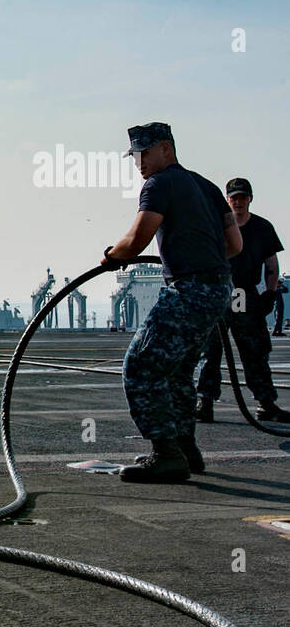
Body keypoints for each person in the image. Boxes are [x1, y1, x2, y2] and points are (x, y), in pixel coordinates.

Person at [102, 123, 241, 483]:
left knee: (141, 365)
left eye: (144, 153)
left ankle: (165, 454)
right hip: (217, 288)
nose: (139, 163)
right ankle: (185, 449)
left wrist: (112, 257)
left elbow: (137, 239)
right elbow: (234, 246)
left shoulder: (160, 185)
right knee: (178, 371)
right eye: (135, 156)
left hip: (188, 288)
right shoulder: (207, 187)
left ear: (166, 148)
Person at [195, 178, 289, 423]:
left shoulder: (262, 228)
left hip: (244, 294)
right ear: (228, 199)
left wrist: (270, 293)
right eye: (234, 197)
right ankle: (204, 401)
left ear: (250, 199)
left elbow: (271, 263)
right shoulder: (215, 225)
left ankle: (265, 403)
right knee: (211, 350)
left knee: (255, 350)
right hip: (218, 292)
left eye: (243, 197)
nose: (238, 201)